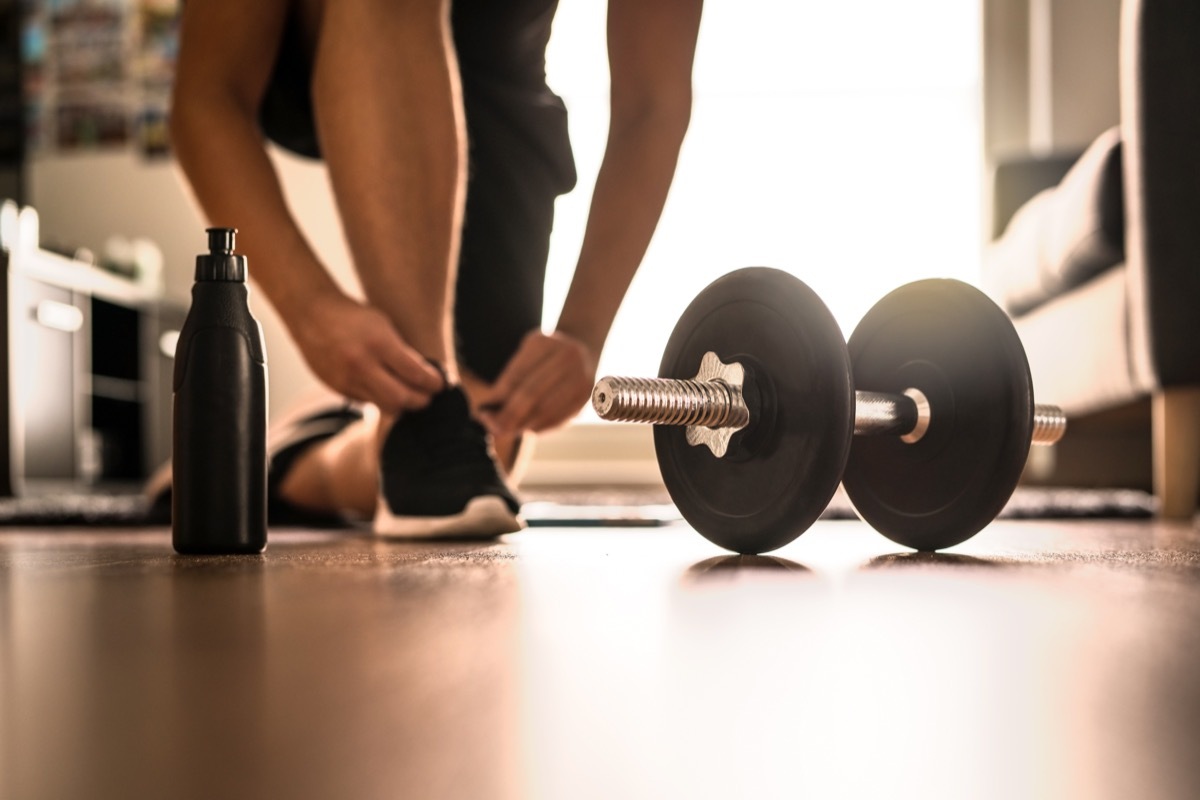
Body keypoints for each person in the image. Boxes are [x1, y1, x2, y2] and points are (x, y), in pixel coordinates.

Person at [167, 0, 703, 537]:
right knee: (437, 453)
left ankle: (295, 453)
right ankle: (424, 411)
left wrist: (583, 332)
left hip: (496, 84)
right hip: (318, 36)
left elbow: (651, 103)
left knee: (487, 438)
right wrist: (310, 309)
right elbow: (208, 95)